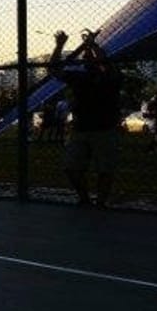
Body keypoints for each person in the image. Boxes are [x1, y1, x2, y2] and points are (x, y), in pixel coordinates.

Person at [48, 29, 122, 206]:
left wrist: (91, 45)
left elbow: (107, 65)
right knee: (72, 168)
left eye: (90, 56)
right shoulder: (80, 77)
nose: (86, 58)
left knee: (105, 169)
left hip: (103, 128)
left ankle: (99, 202)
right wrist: (59, 46)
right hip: (82, 128)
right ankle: (86, 199)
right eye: (86, 56)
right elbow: (54, 70)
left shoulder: (109, 77)